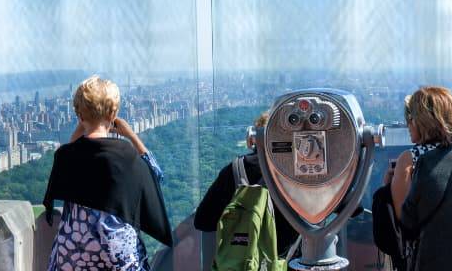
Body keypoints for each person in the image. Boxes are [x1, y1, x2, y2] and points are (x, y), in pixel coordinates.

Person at [41, 76, 171, 270]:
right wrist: (132, 136)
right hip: (118, 252)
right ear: (113, 114)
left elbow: (68, 151)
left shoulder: (66, 156)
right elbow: (155, 175)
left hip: (72, 252)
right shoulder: (127, 156)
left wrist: (82, 124)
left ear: (79, 115)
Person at [383, 85, 452, 270]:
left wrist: (388, 187)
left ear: (423, 121)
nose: (408, 124)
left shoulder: (412, 159)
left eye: (410, 118)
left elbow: (406, 222)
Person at [193, 113, 298, 253]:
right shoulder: (301, 173)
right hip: (294, 261)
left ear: (253, 138)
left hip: (247, 263)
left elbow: (203, 221)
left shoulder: (236, 170)